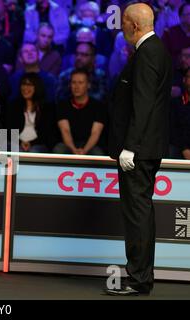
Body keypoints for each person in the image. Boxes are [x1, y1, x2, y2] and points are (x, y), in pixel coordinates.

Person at [106, 3, 173, 296]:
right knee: (139, 213)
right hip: (146, 146)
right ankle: (139, 276)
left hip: (139, 149)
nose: (120, 28)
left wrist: (130, 147)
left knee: (138, 214)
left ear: (134, 25)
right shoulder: (154, 49)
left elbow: (143, 103)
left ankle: (139, 278)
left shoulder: (148, 53)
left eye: (123, 23)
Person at [53, 69, 106, 155]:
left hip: (90, 145)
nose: (76, 86)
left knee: (97, 152)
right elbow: (65, 130)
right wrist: (74, 149)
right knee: (59, 149)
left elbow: (95, 133)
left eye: (80, 83)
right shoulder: (63, 105)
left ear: (88, 85)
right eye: (74, 82)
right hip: (69, 145)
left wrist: (84, 151)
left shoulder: (98, 106)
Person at [7, 72, 56, 153]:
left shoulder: (47, 108)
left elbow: (48, 134)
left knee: (34, 150)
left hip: (38, 144)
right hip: (17, 143)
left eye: (30, 85)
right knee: (16, 149)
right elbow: (8, 129)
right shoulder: (13, 106)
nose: (25, 88)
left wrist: (31, 143)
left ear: (37, 87)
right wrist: (20, 142)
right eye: (23, 84)